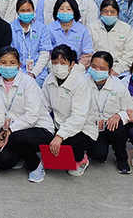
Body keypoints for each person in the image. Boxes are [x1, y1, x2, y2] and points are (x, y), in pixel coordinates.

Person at [0, 46, 54, 181]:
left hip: (39, 128)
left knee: (17, 137)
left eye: (12, 63)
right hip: (11, 130)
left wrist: (11, 130)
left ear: (19, 65)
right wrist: (3, 129)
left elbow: (32, 115)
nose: (8, 66)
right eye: (3, 63)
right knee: (2, 161)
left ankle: (36, 165)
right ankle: (21, 154)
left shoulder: (28, 83)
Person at [40, 44, 96, 177]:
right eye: (55, 62)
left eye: (63, 63)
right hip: (58, 125)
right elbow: (44, 107)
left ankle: (82, 159)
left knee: (69, 143)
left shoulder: (80, 83)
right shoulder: (49, 79)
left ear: (71, 64)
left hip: (82, 129)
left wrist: (60, 136)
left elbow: (78, 117)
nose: (58, 66)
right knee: (38, 136)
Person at [85, 51, 133, 174]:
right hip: (90, 126)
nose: (97, 71)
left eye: (102, 68)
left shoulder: (119, 85)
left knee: (118, 129)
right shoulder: (82, 82)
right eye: (94, 66)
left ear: (110, 70)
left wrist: (119, 116)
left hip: (111, 125)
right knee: (98, 155)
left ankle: (122, 159)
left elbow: (130, 110)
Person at [88, 0, 133, 76]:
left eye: (113, 12)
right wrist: (101, 67)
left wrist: (117, 70)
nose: (109, 15)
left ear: (118, 13)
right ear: (100, 12)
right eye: (105, 12)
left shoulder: (126, 28)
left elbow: (130, 53)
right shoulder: (92, 28)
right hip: (97, 68)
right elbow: (89, 51)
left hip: (121, 69)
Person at [45, 0, 94, 66]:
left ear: (74, 11)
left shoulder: (82, 30)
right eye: (61, 9)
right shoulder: (49, 29)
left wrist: (76, 67)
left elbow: (87, 54)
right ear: (56, 11)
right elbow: (46, 52)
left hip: (77, 67)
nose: (65, 12)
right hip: (54, 66)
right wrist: (54, 65)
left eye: (68, 9)